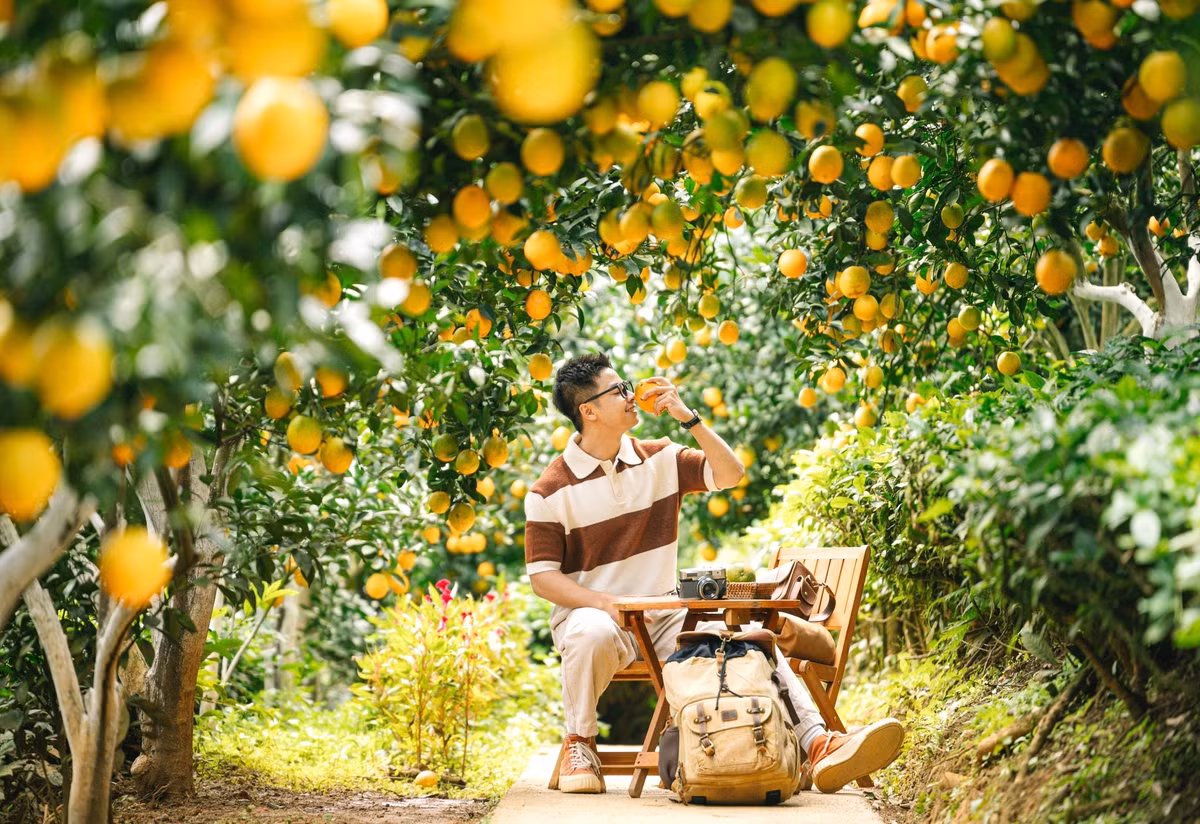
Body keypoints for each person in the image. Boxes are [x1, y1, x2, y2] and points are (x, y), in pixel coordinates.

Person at [524, 352, 904, 794]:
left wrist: (689, 418)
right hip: (598, 618)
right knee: (589, 631)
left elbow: (731, 473)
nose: (631, 395)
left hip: (666, 618)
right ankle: (580, 744)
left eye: (628, 385)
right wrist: (603, 602)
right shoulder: (549, 491)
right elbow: (542, 577)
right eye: (619, 390)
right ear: (588, 410)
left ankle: (820, 745)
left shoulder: (661, 458)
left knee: (743, 639)